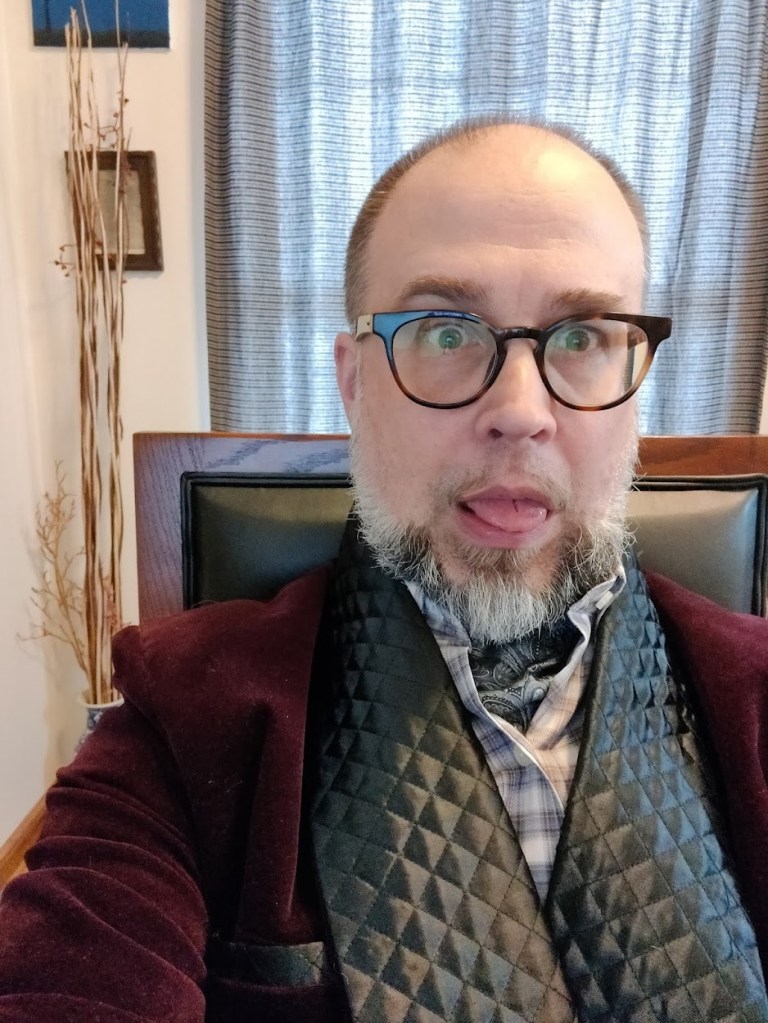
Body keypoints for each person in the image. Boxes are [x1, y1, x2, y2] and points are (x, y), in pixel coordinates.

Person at [2, 117, 768, 1023]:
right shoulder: (185, 714)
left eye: (582, 337)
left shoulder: (752, 690)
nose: (520, 410)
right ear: (354, 381)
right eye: (445, 333)